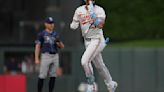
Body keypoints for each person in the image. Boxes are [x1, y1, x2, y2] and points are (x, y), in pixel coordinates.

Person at [70, 0, 117, 92]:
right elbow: (74, 24)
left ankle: (92, 85)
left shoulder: (99, 10)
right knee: (99, 65)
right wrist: (74, 24)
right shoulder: (79, 10)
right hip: (87, 41)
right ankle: (111, 84)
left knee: (84, 61)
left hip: (97, 39)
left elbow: (100, 25)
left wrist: (93, 14)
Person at [35, 17, 64, 92]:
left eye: (52, 23)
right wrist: (36, 58)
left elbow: (62, 47)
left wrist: (59, 42)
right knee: (42, 75)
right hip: (46, 55)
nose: (51, 25)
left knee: (53, 75)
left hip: (55, 55)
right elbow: (37, 46)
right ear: (45, 24)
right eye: (50, 23)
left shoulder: (55, 34)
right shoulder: (41, 34)